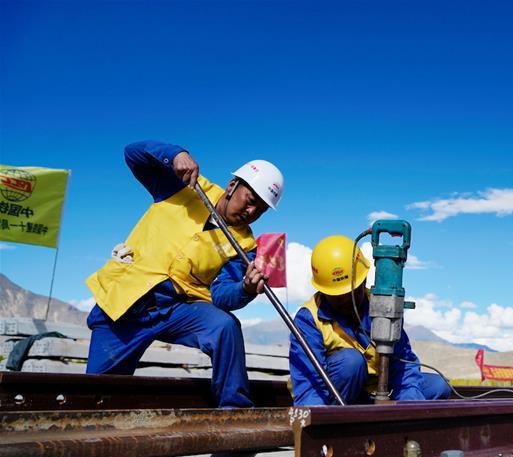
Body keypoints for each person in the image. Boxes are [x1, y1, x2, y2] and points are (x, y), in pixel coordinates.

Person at [84, 140, 284, 408]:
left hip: (176, 310)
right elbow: (133, 154)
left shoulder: (245, 246)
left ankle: (234, 409)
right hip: (125, 303)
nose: (252, 212)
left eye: (261, 209)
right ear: (232, 185)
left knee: (224, 326)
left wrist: (244, 289)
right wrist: (175, 154)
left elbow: (221, 295)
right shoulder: (185, 186)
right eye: (250, 201)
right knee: (96, 395)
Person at [289, 235, 451, 405]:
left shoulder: (383, 307)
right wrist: (318, 417)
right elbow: (309, 385)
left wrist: (408, 408)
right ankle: (342, 418)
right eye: (336, 296)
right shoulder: (309, 319)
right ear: (323, 290)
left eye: (350, 293)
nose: (345, 300)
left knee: (438, 386)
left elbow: (403, 364)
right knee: (351, 362)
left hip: (374, 390)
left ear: (364, 280)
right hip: (336, 394)